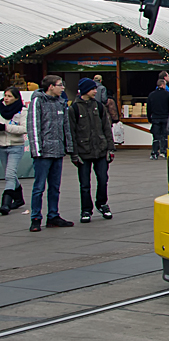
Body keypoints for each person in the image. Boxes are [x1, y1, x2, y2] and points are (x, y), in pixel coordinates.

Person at [26, 75, 75, 231]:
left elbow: (66, 127)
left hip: (58, 151)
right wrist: (37, 150)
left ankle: (53, 215)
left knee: (55, 186)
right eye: (60, 85)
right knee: (39, 186)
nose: (63, 88)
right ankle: (35, 217)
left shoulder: (61, 103)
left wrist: (69, 148)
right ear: (51, 87)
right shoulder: (38, 101)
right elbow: (33, 126)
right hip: (43, 152)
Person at [69, 79, 115, 222]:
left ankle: (102, 203)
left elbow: (106, 128)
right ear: (85, 90)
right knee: (84, 184)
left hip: (100, 149)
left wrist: (110, 147)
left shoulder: (99, 107)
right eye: (93, 89)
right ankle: (86, 210)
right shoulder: (74, 108)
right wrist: (74, 153)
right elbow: (71, 132)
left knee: (103, 179)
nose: (96, 91)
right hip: (83, 151)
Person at [0, 87, 27, 215]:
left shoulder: (22, 111)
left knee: (9, 175)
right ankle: (19, 198)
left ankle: (5, 203)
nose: (6, 98)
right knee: (10, 173)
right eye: (5, 95)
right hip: (1, 145)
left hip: (15, 146)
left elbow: (24, 128)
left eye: (9, 96)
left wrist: (5, 127)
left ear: (16, 98)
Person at [147, 78, 169, 159]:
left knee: (156, 136)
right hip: (165, 117)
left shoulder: (151, 95)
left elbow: (149, 108)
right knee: (165, 136)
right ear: (163, 85)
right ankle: (164, 151)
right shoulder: (168, 95)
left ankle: (154, 152)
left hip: (155, 118)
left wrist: (149, 118)